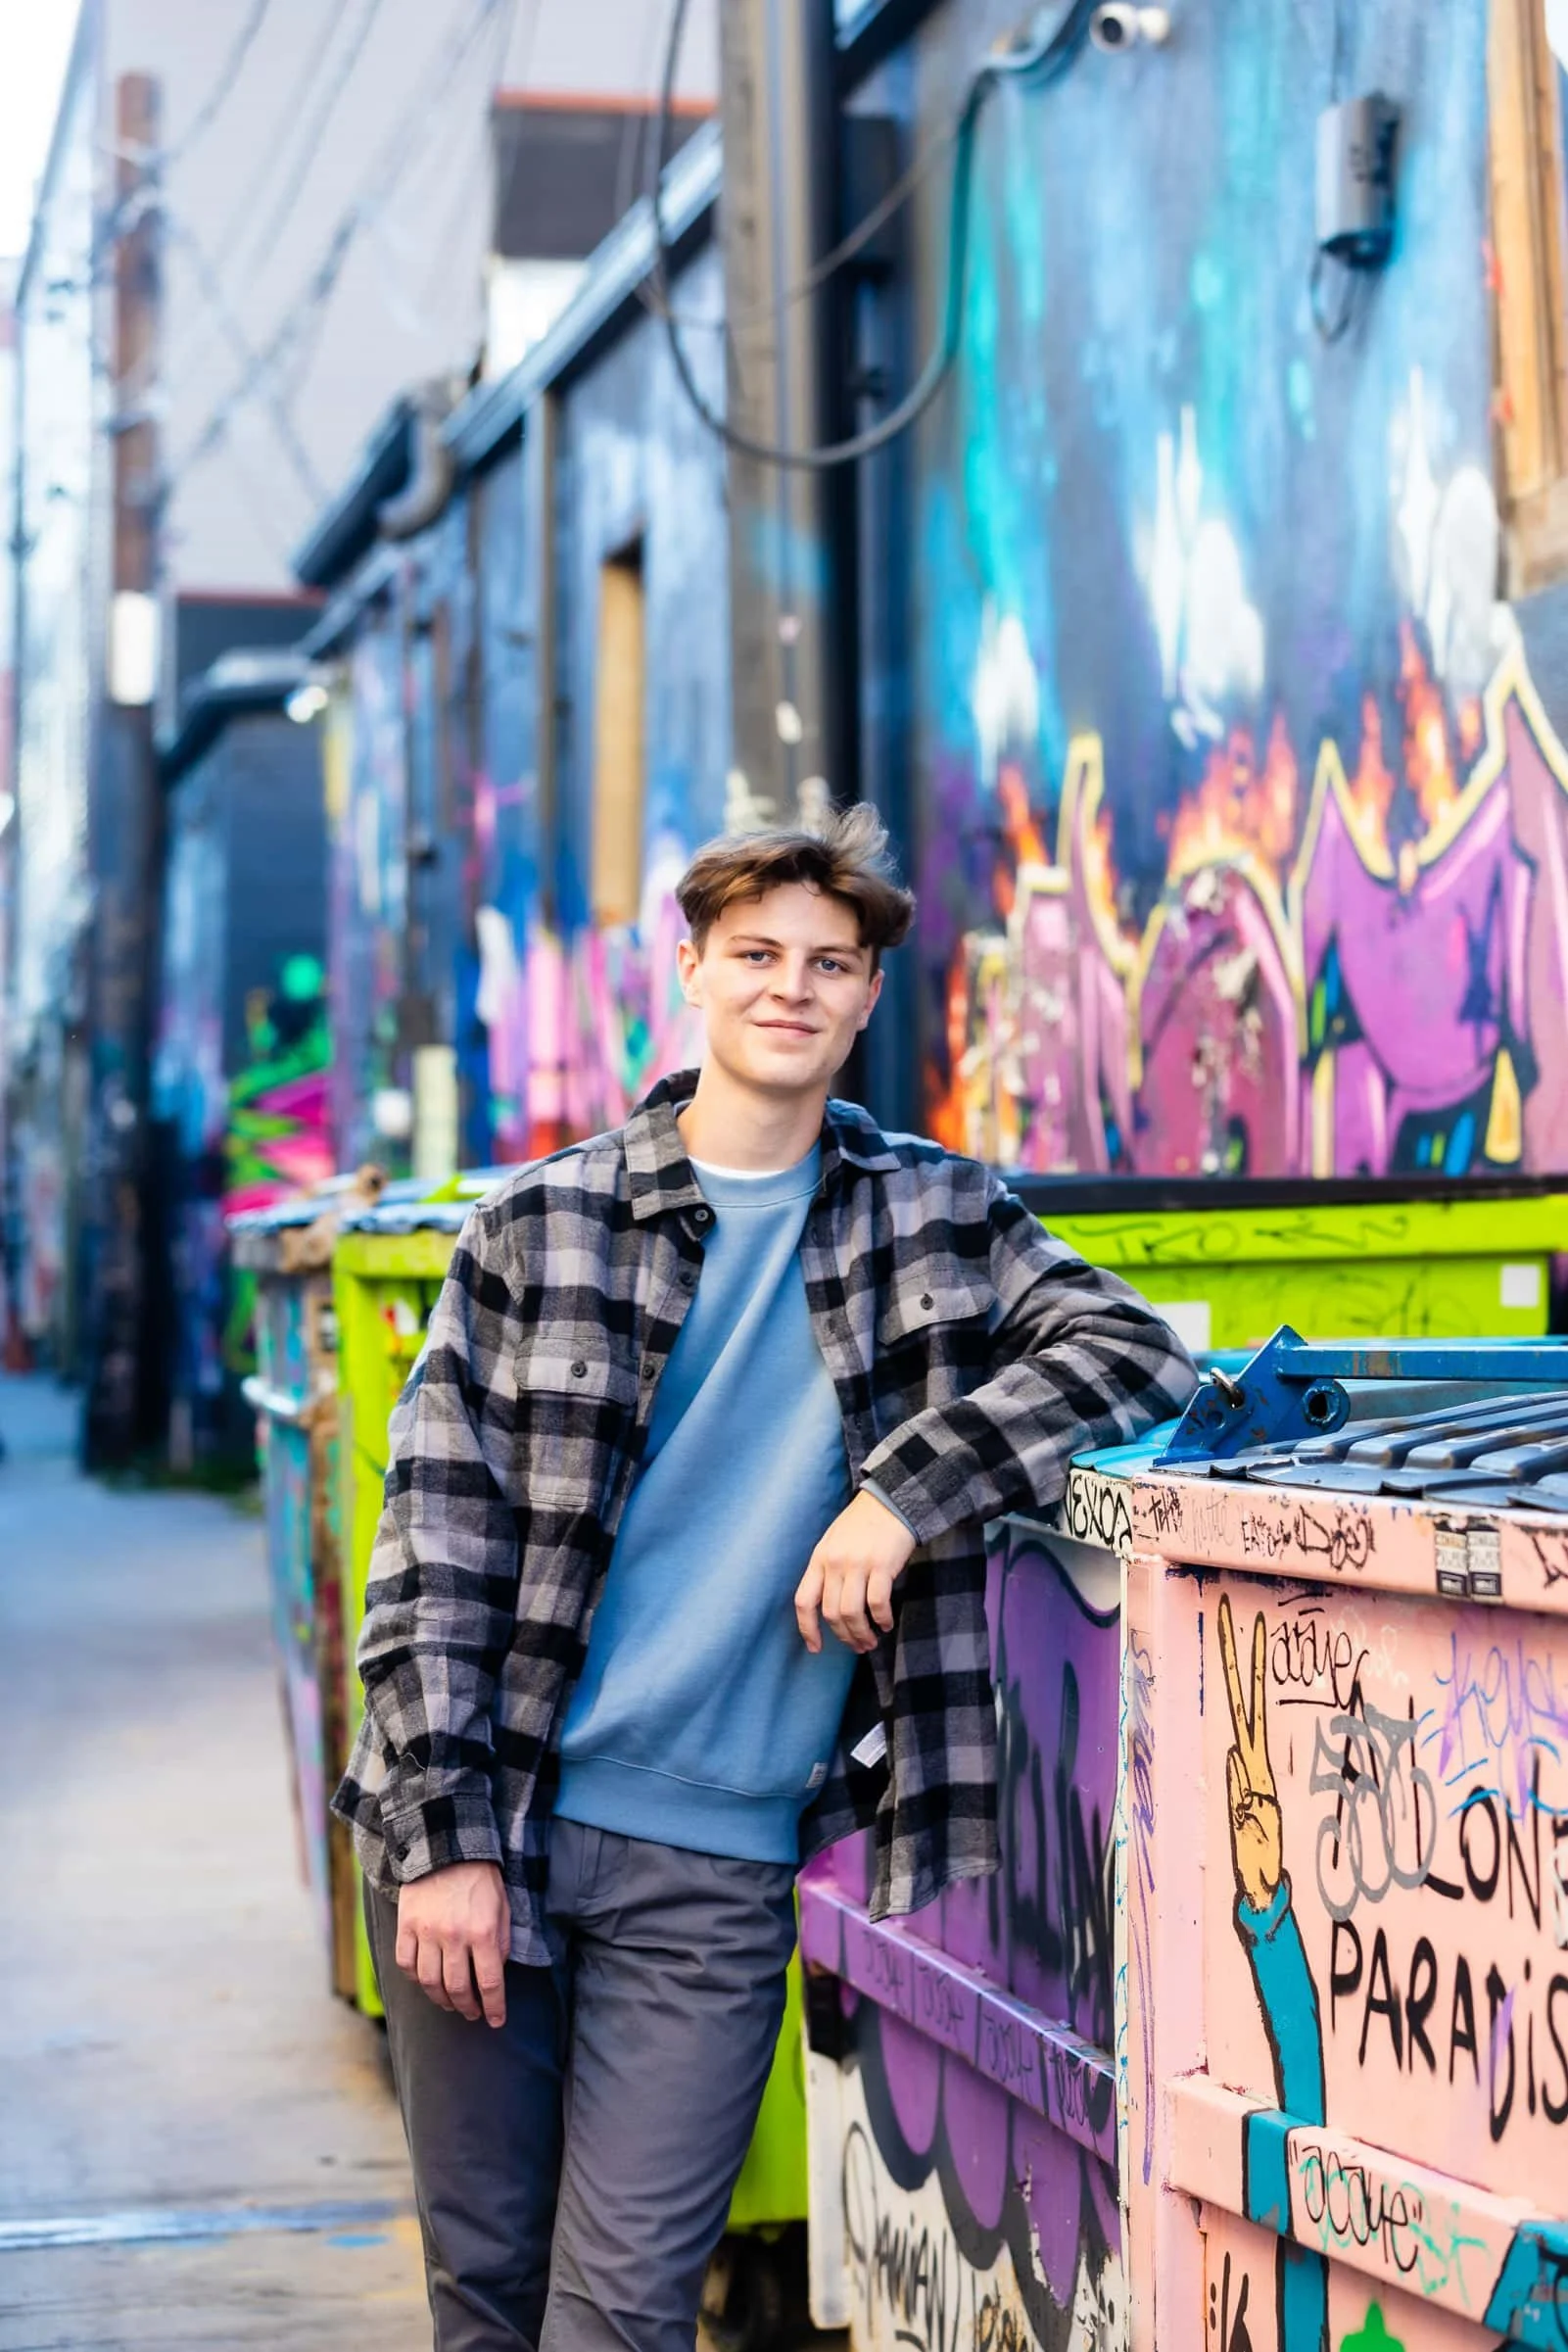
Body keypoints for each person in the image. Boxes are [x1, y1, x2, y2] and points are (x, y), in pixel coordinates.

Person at [332, 805, 1198, 2352]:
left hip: (712, 1871)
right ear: (693, 969)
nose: (790, 988)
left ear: (870, 998)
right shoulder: (542, 1225)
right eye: (756, 955)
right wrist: (442, 1843)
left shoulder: (934, 1215)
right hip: (498, 1826)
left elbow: (1135, 1353)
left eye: (831, 963)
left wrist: (902, 1491)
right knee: (485, 2301)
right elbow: (430, 1561)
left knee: (624, 2311)